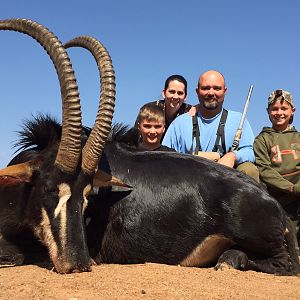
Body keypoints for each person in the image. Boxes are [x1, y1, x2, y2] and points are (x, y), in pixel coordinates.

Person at [162, 70, 259, 181]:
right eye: (205, 88)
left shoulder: (239, 120)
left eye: (217, 88)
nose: (211, 93)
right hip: (189, 184)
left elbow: (251, 152)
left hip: (226, 182)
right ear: (197, 91)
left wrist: (233, 156)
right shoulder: (179, 123)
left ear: (225, 91)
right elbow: (165, 157)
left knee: (249, 169)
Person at [254, 89, 300, 236]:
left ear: (292, 110)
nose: (279, 112)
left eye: (284, 108)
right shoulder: (262, 139)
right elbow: (264, 169)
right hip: (276, 196)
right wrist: (291, 189)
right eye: (274, 109)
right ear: (268, 111)